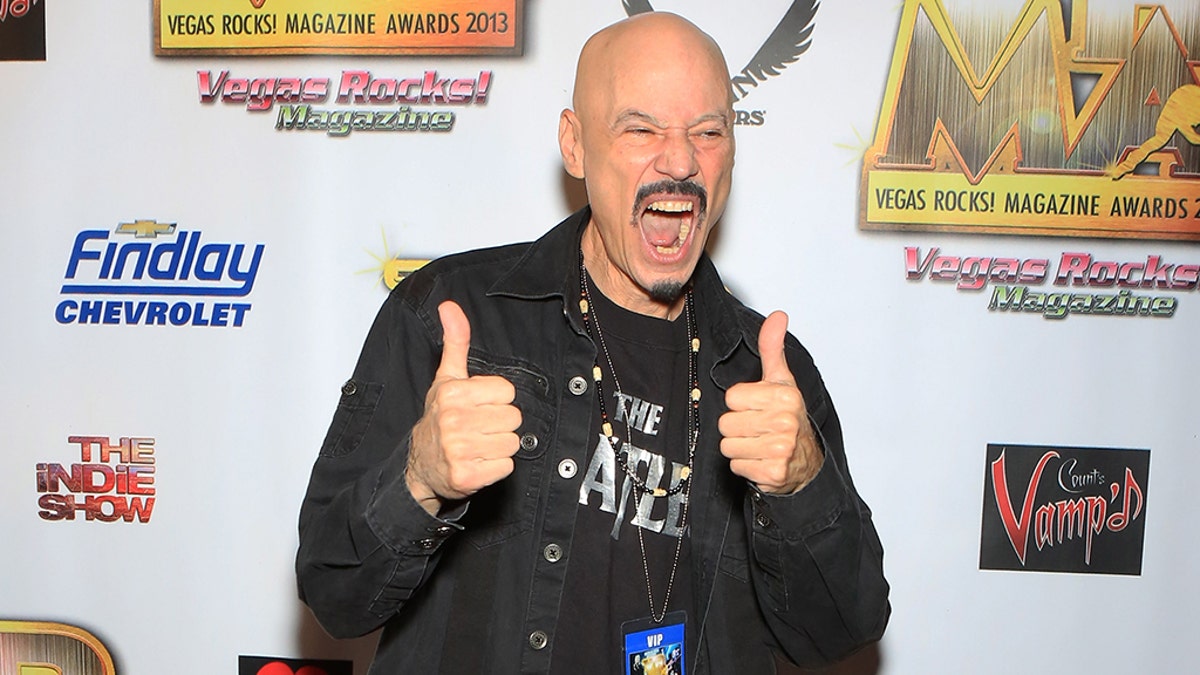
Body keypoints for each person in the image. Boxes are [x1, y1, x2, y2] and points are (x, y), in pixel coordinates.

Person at [296, 11, 889, 674]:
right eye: (641, 128)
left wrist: (803, 484)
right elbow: (332, 590)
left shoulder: (770, 374)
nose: (681, 159)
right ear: (575, 146)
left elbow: (841, 631)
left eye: (709, 131)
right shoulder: (448, 315)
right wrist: (421, 480)